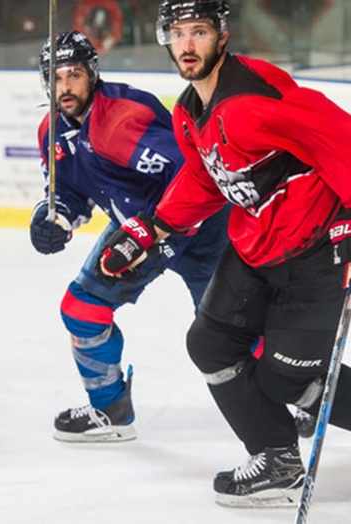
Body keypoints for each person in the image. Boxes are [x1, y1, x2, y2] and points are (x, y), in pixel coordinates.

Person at [96, 0, 351, 507]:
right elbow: (204, 177)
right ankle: (276, 458)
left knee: (287, 379)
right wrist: (156, 227)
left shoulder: (252, 101)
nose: (188, 44)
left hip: (312, 250)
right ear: (164, 39)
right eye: (178, 33)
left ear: (222, 35)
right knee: (210, 346)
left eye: (198, 31)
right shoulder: (189, 110)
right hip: (254, 247)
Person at [29, 30, 230, 443]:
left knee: (227, 334)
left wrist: (159, 229)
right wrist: (55, 217)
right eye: (56, 77)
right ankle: (111, 410)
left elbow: (194, 171)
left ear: (93, 74)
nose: (65, 87)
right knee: (82, 309)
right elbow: (68, 191)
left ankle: (290, 401)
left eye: (74, 75)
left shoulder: (121, 121)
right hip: (135, 229)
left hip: (203, 229)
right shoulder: (52, 131)